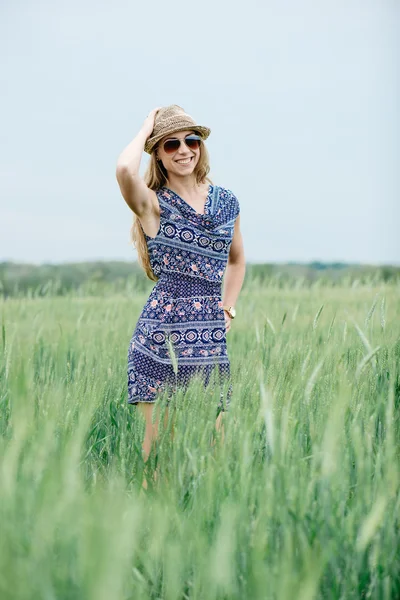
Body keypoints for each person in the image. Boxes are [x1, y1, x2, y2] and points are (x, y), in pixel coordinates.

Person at [115, 104, 246, 467]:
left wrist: (228, 307)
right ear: (157, 153)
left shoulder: (226, 202)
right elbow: (125, 170)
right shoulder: (153, 205)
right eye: (170, 144)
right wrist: (145, 129)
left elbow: (236, 259)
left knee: (216, 448)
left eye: (191, 140)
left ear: (201, 145)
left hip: (210, 339)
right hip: (161, 338)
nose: (184, 149)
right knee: (159, 455)